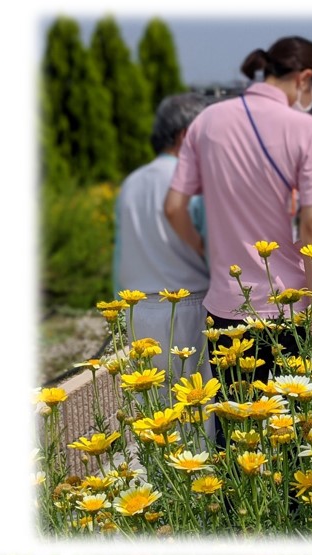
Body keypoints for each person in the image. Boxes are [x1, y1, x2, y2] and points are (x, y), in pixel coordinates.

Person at [164, 36, 312, 394]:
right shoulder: (307, 130)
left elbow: (173, 208)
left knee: (234, 433)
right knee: (292, 435)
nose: (307, 103)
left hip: (224, 311)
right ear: (305, 78)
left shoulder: (207, 121)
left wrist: (207, 254)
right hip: (287, 310)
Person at [114, 92, 212, 374]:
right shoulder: (193, 182)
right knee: (196, 405)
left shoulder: (132, 182)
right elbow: (213, 251)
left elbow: (120, 255)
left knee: (153, 407)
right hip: (188, 307)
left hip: (138, 311)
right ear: (185, 136)